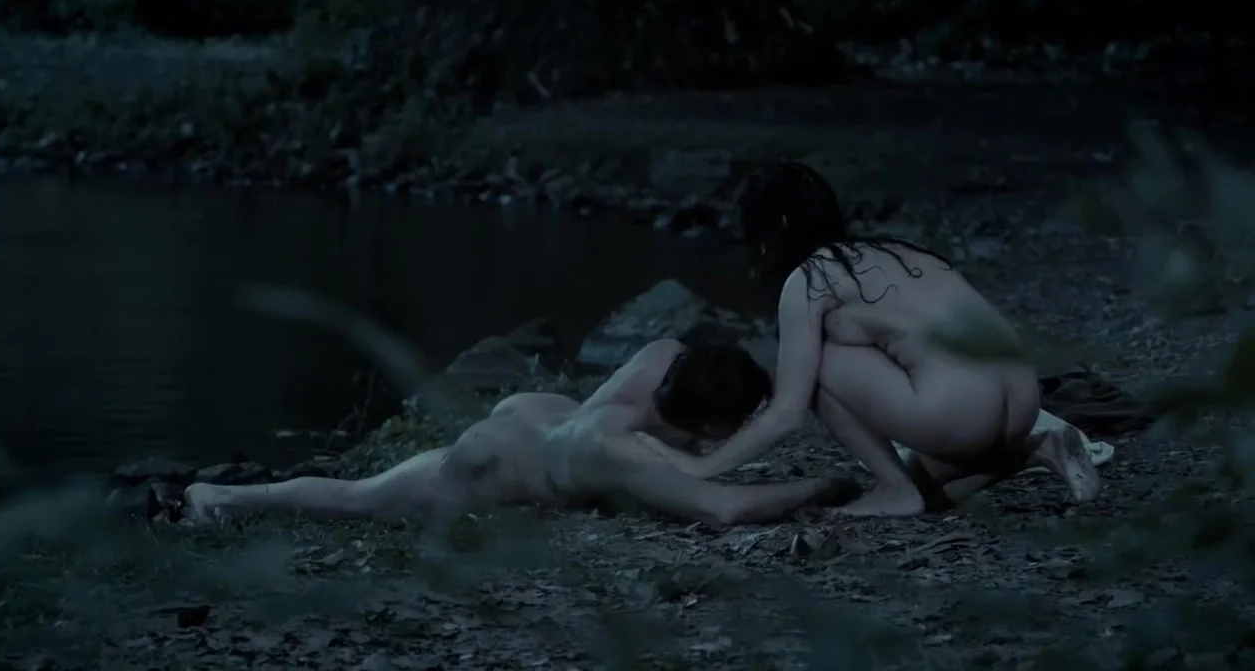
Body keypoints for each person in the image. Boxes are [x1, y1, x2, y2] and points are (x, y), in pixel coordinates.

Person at [636, 161, 1100, 517]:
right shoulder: (894, 251)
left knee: (814, 366)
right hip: (1024, 400)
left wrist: (703, 466)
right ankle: (1037, 448)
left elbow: (788, 412)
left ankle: (896, 491)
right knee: (930, 485)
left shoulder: (810, 278)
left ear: (774, 230)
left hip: (961, 413)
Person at [185, 292, 859, 526]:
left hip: (540, 416)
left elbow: (687, 450)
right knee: (355, 499)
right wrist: (821, 486)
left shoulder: (664, 357)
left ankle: (225, 495)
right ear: (711, 424)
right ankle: (218, 495)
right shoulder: (624, 452)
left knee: (359, 493)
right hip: (491, 463)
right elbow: (723, 508)